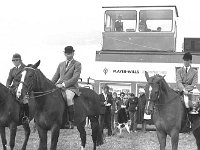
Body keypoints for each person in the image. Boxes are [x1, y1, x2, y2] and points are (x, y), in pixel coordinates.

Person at [52, 46, 81, 129]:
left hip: (71, 87)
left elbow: (75, 78)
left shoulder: (77, 64)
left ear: (73, 53)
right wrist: (50, 85)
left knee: (68, 98)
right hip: (59, 86)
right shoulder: (61, 64)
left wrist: (64, 84)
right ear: (64, 53)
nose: (68, 55)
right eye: (67, 53)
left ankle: (71, 122)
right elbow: (55, 76)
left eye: (70, 53)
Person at [6, 53, 29, 124]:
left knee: (24, 100)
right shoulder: (12, 70)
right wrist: (7, 86)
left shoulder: (25, 68)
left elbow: (25, 80)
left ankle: (26, 116)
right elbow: (9, 79)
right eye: (13, 60)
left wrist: (18, 88)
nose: (14, 62)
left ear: (20, 60)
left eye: (16, 60)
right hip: (13, 88)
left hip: (22, 88)